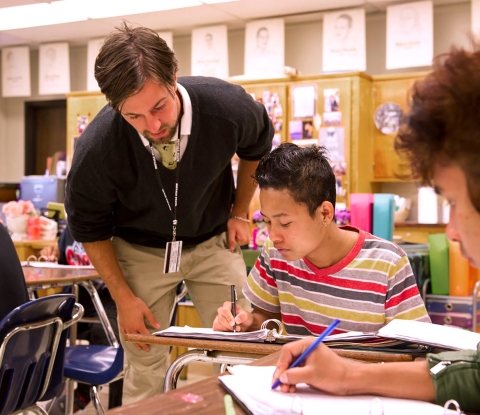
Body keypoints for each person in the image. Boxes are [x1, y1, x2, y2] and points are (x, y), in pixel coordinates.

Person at [64, 22, 273, 404]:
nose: (154, 125)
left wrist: (240, 212)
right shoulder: (97, 149)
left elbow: (257, 146)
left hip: (213, 242)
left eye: (159, 106)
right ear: (116, 108)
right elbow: (89, 228)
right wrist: (123, 298)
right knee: (145, 363)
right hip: (140, 251)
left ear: (173, 78)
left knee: (243, 348)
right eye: (134, 117)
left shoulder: (226, 107)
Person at [272, 43, 480, 412]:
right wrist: (347, 376)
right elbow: (473, 374)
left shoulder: (386, 260)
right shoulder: (277, 261)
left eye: (451, 201)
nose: (450, 231)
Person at [213, 143, 430, 336]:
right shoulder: (275, 252)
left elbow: (415, 350)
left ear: (325, 213)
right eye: (268, 221)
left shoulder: (387, 263)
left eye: (285, 223)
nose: (273, 236)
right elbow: (267, 321)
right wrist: (246, 322)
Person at [40, 225, 123, 413]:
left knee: (113, 338)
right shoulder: (71, 228)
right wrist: (52, 254)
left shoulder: (115, 227)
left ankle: (96, 399)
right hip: (77, 295)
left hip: (109, 295)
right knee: (48, 329)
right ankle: (49, 393)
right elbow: (62, 260)